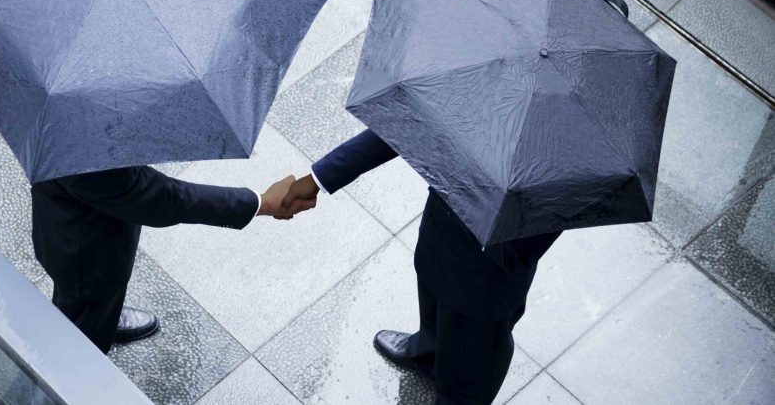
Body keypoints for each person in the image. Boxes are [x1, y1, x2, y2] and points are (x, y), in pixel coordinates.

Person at [281, 130, 559, 405]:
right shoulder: (481, 85)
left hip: (491, 267)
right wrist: (319, 178)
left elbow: (570, 201)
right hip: (443, 223)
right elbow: (408, 119)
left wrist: (506, 248)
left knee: (471, 369)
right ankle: (428, 353)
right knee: (433, 301)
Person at [33, 167, 313, 353]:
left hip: (66, 229)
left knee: (85, 304)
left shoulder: (54, 120)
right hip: (88, 259)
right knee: (83, 327)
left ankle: (95, 322)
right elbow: (165, 199)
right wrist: (262, 202)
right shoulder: (92, 158)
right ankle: (81, 347)